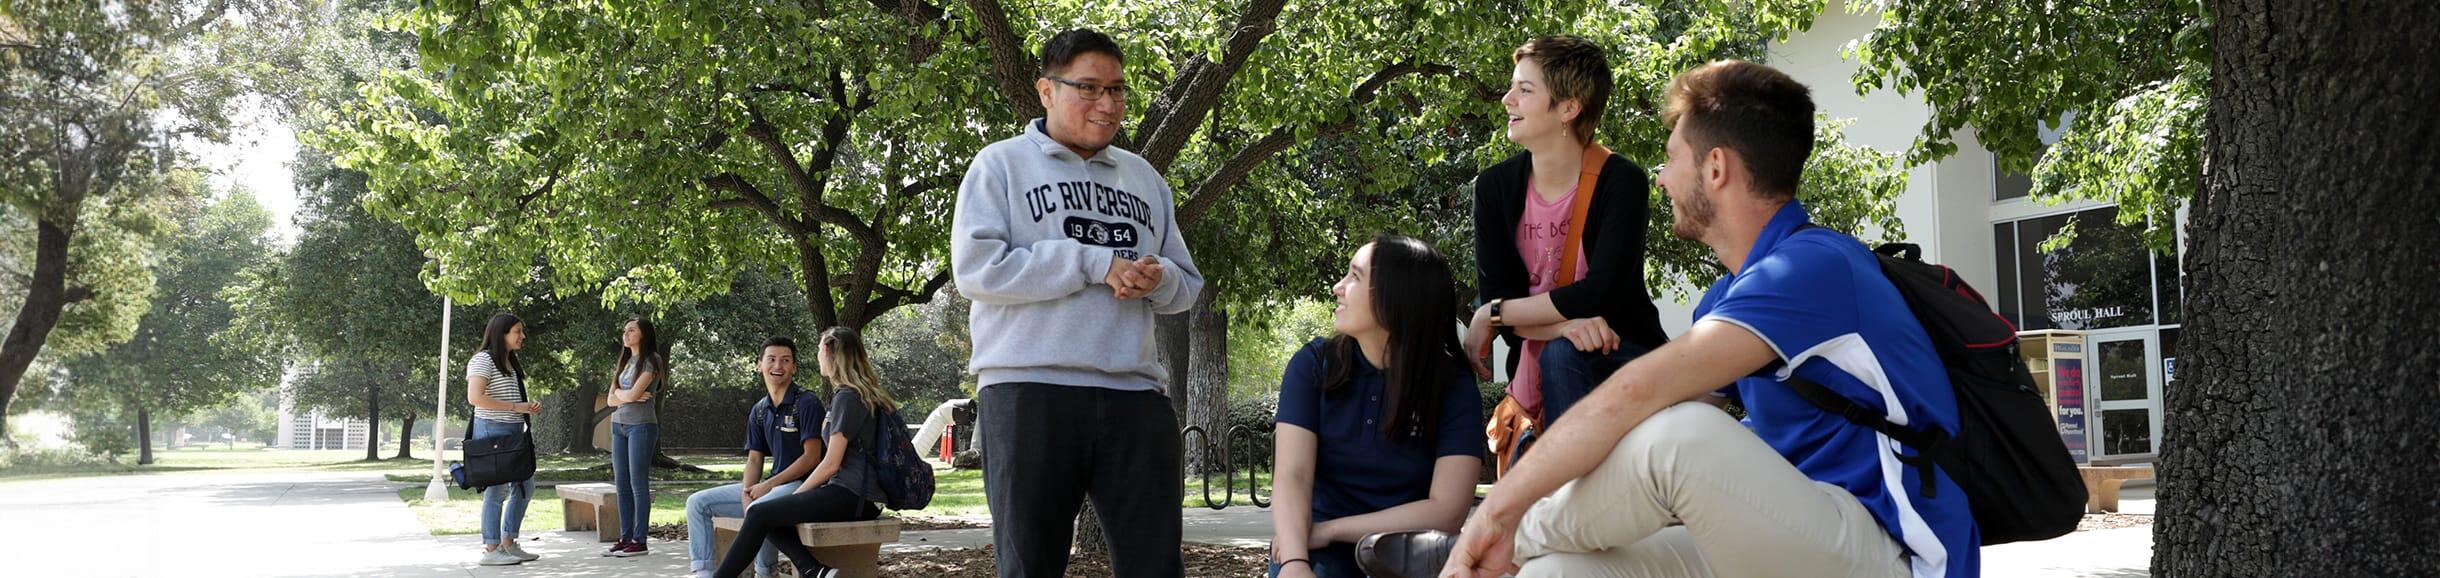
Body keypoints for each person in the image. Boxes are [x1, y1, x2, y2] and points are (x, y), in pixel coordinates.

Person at [1434, 60, 1979, 578]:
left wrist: (1493, 514)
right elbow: (1645, 438)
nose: (1661, 178)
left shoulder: (1811, 267)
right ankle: (1516, 548)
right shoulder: (1725, 298)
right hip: (1791, 528)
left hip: (1894, 547)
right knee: (1564, 569)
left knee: (1679, 440)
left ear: (1715, 168)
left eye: (1672, 158)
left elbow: (1644, 401)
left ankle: (1493, 539)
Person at [950, 27, 1205, 578]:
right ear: (1046, 90)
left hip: (1135, 396)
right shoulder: (999, 166)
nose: (1106, 103)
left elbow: (1186, 286)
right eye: (1088, 88)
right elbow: (977, 270)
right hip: (1027, 391)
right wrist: (1093, 262)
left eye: (1116, 90)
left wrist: (1155, 279)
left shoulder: (1144, 179)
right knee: (1029, 566)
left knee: (1156, 567)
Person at [1462, 35, 1670, 432]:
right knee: (1558, 349)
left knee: (1561, 354)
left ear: (1569, 108)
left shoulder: (1621, 181)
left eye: (1524, 90)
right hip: (1536, 368)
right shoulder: (1494, 188)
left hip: (1619, 353)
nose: (1508, 99)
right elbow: (1500, 297)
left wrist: (1491, 315)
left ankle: (1566, 487)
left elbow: (1598, 293)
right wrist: (1555, 324)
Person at [1269, 235, 1485, 578]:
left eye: (1355, 277)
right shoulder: (1312, 365)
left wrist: (1331, 529)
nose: (1338, 287)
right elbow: (1292, 475)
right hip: (1315, 549)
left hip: (1411, 551)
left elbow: (1447, 510)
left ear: (1396, 298)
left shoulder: (1452, 386)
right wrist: (1295, 563)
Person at [711, 327, 901, 578]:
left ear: (829, 352)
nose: (817, 356)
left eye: (819, 349)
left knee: (760, 511)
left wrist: (796, 497)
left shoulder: (847, 396)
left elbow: (830, 464)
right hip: (858, 495)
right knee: (767, 511)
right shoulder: (858, 393)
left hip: (853, 495)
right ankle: (814, 569)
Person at [684, 337, 827, 578]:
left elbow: (812, 458)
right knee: (697, 503)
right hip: (773, 486)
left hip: (804, 486)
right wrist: (746, 491)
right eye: (771, 359)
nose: (777, 366)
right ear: (759, 365)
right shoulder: (760, 410)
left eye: (785, 360)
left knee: (760, 509)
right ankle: (704, 573)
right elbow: (754, 459)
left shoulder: (807, 402)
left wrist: (767, 486)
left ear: (794, 367)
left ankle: (765, 572)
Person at [467, 312, 543, 566]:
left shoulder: (509, 362)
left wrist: (525, 408)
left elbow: (510, 400)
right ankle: (491, 548)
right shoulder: (483, 360)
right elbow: (475, 397)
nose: (523, 336)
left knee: (525, 486)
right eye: (517, 331)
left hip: (512, 432)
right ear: (501, 334)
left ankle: (508, 542)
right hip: (492, 431)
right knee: (496, 491)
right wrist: (515, 407)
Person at [602, 317, 665, 557]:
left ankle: (640, 541)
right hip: (619, 426)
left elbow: (632, 395)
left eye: (631, 330)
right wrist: (625, 394)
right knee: (621, 484)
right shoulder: (625, 361)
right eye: (624, 330)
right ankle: (624, 537)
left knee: (638, 484)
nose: (625, 334)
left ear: (644, 334)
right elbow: (610, 400)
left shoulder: (652, 360)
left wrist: (624, 394)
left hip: (642, 427)